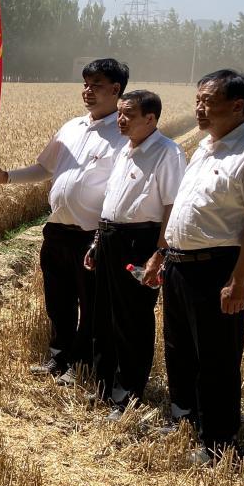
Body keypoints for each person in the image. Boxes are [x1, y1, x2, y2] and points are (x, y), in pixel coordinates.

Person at [138, 70, 244, 465]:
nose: (198, 107)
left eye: (207, 100)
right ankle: (185, 417)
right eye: (197, 99)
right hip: (181, 266)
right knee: (179, 349)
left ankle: (217, 442)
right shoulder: (204, 146)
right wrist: (161, 255)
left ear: (237, 105)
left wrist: (239, 280)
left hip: (218, 269)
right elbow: (183, 209)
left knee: (217, 358)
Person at [0, 59, 130, 381]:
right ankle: (59, 357)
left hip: (92, 235)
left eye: (96, 85)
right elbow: (45, 168)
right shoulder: (71, 128)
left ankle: (82, 365)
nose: (88, 91)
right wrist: (7, 177)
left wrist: (105, 236)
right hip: (57, 230)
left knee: (91, 305)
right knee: (58, 301)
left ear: (116, 90)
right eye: (85, 84)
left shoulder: (123, 134)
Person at [84, 89, 185, 417]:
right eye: (120, 113)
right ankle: (102, 387)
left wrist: (159, 253)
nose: (121, 120)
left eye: (128, 114)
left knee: (131, 321)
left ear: (151, 118)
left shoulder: (167, 153)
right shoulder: (125, 150)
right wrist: (98, 243)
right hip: (110, 238)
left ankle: (127, 394)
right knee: (102, 316)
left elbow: (172, 207)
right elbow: (113, 202)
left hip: (138, 244)